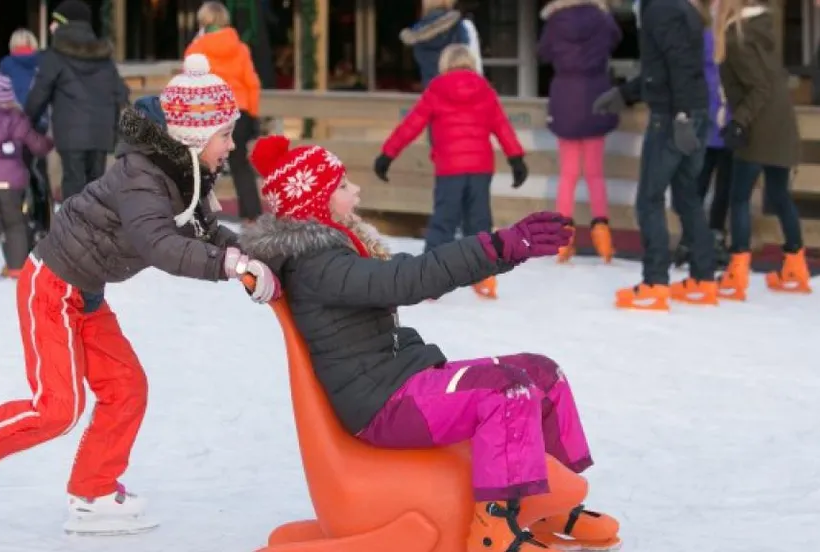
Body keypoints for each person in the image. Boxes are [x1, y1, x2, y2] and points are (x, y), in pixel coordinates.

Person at [241, 134, 622, 552]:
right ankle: (494, 530)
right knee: (508, 390)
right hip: (383, 403)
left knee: (542, 373)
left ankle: (547, 506)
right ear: (316, 203)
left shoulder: (337, 255)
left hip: (401, 379)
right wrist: (497, 246)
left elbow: (408, 272)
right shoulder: (320, 266)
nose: (356, 191)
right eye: (344, 186)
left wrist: (503, 253)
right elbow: (406, 280)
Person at [0, 54, 279, 536]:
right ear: (194, 136)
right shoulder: (144, 175)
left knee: (126, 388)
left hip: (85, 293)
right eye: (225, 135)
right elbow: (160, 245)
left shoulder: (186, 174)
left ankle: (94, 489)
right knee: (56, 409)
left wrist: (254, 255)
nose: (231, 145)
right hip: (52, 287)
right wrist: (228, 266)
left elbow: (208, 232)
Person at [373, 45, 527, 299]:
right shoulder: (484, 89)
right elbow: (502, 126)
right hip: (480, 168)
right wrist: (516, 159)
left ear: (445, 64)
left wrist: (387, 154)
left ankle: (428, 279)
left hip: (450, 169)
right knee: (479, 223)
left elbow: (412, 124)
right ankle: (484, 277)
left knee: (444, 221)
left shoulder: (437, 89)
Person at [593, 0, 717, 310]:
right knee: (687, 195)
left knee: (649, 199)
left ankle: (655, 281)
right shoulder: (679, 6)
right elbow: (661, 69)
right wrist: (625, 93)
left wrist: (682, 116)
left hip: (673, 117)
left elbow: (679, 64)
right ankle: (704, 278)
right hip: (693, 112)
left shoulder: (659, 8)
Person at [713, 0, 811, 298]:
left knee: (739, 197)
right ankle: (796, 266)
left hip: (759, 125)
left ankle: (738, 270)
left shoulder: (737, 36)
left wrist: (739, 122)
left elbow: (759, 87)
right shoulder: (762, 29)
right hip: (781, 121)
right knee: (780, 195)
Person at [538, 0, 621, 263]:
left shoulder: (555, 21)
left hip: (565, 95)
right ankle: (603, 236)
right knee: (595, 173)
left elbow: (543, 53)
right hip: (597, 93)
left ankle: (562, 241)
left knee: (568, 174)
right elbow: (617, 38)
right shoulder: (601, 17)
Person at [24, 0, 129, 200]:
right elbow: (121, 94)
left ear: (64, 24)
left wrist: (24, 121)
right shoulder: (104, 58)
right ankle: (95, 229)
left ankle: (76, 229)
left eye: (55, 21)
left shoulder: (55, 57)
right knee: (96, 186)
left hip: (70, 133)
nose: (50, 27)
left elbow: (39, 94)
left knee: (73, 185)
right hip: (101, 132)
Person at [186, 1, 263, 224]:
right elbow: (252, 84)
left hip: (211, 113)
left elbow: (190, 84)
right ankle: (252, 214)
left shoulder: (196, 50)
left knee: (203, 163)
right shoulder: (240, 48)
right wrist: (253, 114)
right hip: (240, 111)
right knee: (240, 163)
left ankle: (196, 211)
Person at [673, 25, 733, 272]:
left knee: (710, 186)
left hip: (721, 123)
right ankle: (700, 235)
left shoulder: (709, 35)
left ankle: (701, 235)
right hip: (713, 122)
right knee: (707, 185)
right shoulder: (709, 36)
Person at [0, 73, 54, 278]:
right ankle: (17, 268)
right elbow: (36, 145)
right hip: (11, 181)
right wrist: (49, 143)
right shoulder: (17, 119)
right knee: (15, 223)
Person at [0, 28, 53, 246]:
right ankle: (44, 223)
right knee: (39, 173)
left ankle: (19, 225)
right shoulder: (44, 63)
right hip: (38, 125)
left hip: (13, 128)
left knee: (16, 174)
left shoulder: (6, 65)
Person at [400, 0, 470, 87]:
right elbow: (467, 53)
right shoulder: (457, 26)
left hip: (430, 87)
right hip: (456, 86)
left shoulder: (416, 32)